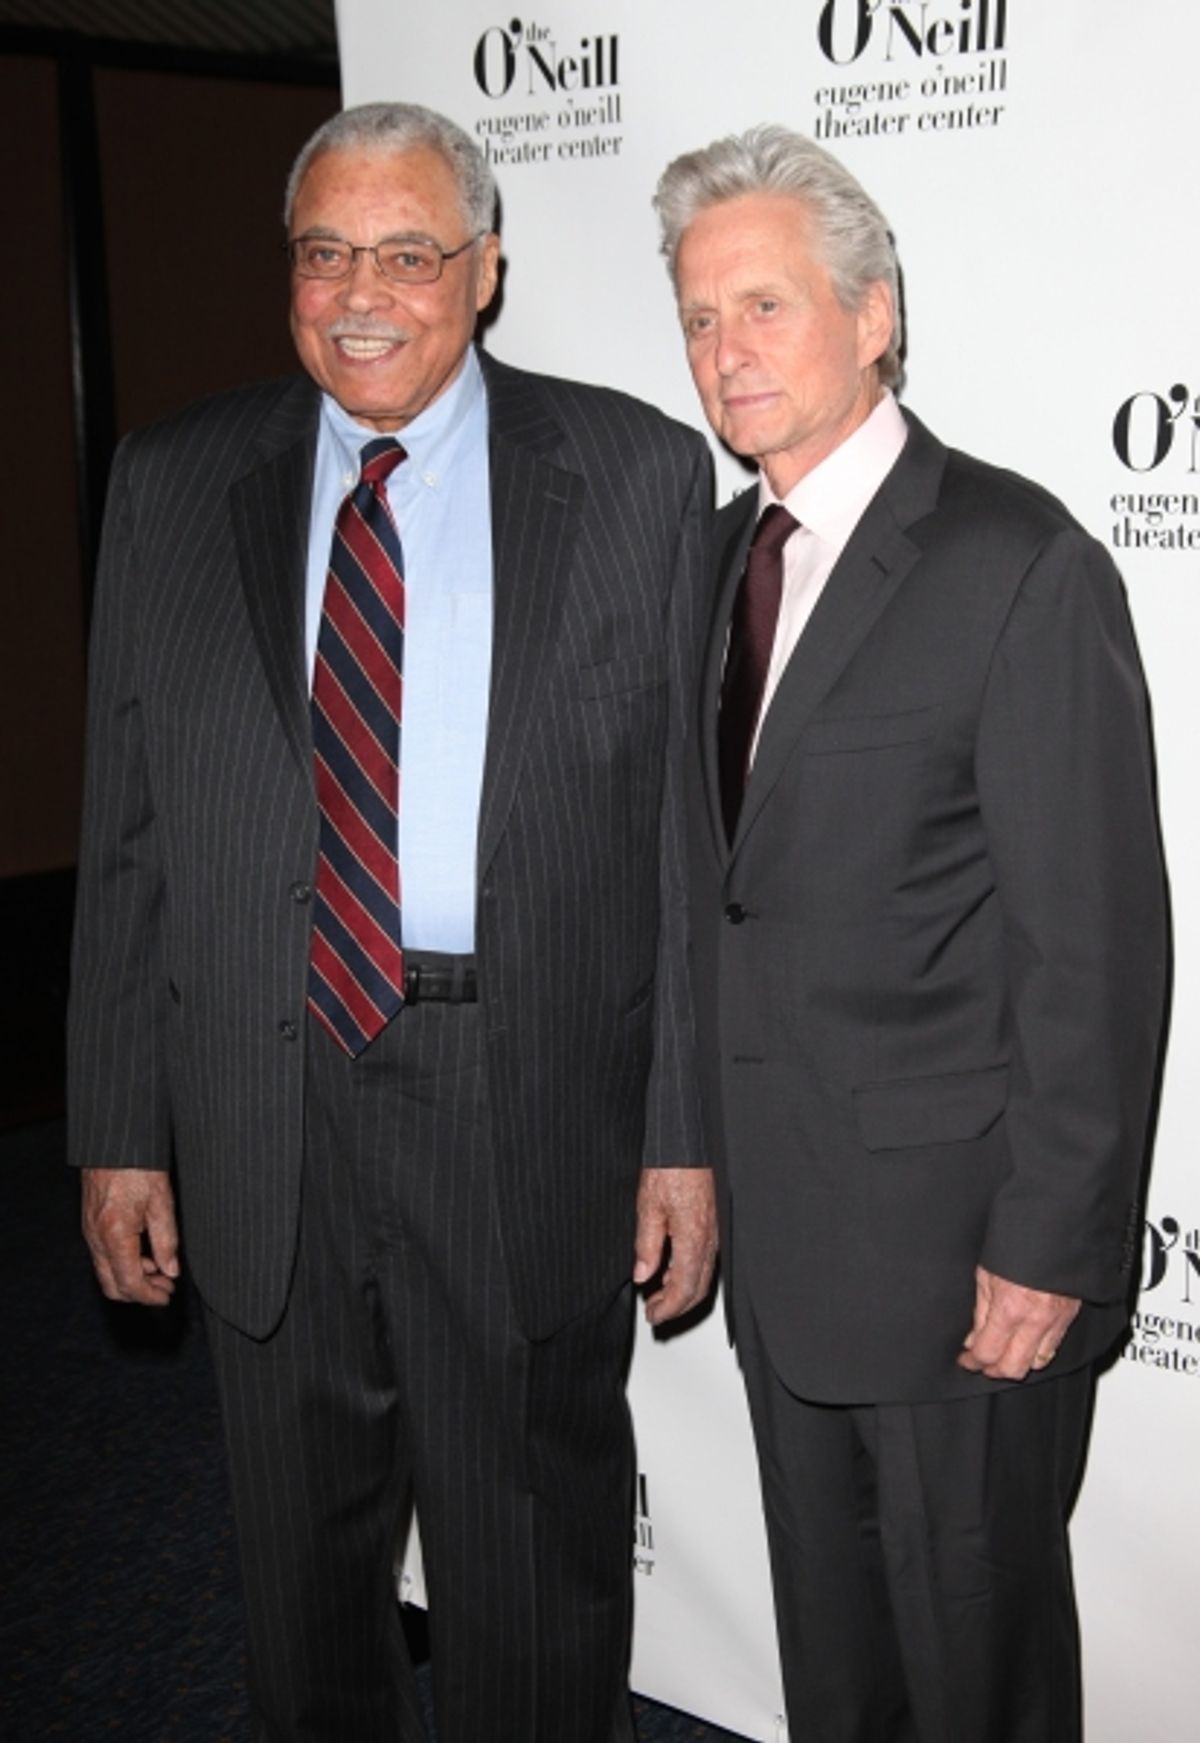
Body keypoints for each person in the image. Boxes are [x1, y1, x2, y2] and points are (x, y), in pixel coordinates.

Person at [68, 101, 716, 1743]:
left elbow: (682, 851)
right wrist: (118, 1128)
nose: (365, 290)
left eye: (411, 254)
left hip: (524, 1091)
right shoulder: (170, 479)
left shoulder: (635, 474)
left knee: (531, 1564)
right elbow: (128, 830)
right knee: (298, 1571)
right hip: (259, 1098)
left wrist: (685, 1134)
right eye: (326, 252)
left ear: (484, 271)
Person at [653, 125, 1166, 1743]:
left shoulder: (1018, 563)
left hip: (967, 1276)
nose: (725, 353)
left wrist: (1049, 1244)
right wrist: (685, 1147)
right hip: (790, 1256)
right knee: (843, 1680)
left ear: (874, 316)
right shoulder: (724, 561)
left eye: (764, 306)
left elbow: (1096, 944)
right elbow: (710, 897)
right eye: (698, 317)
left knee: (977, 1687)